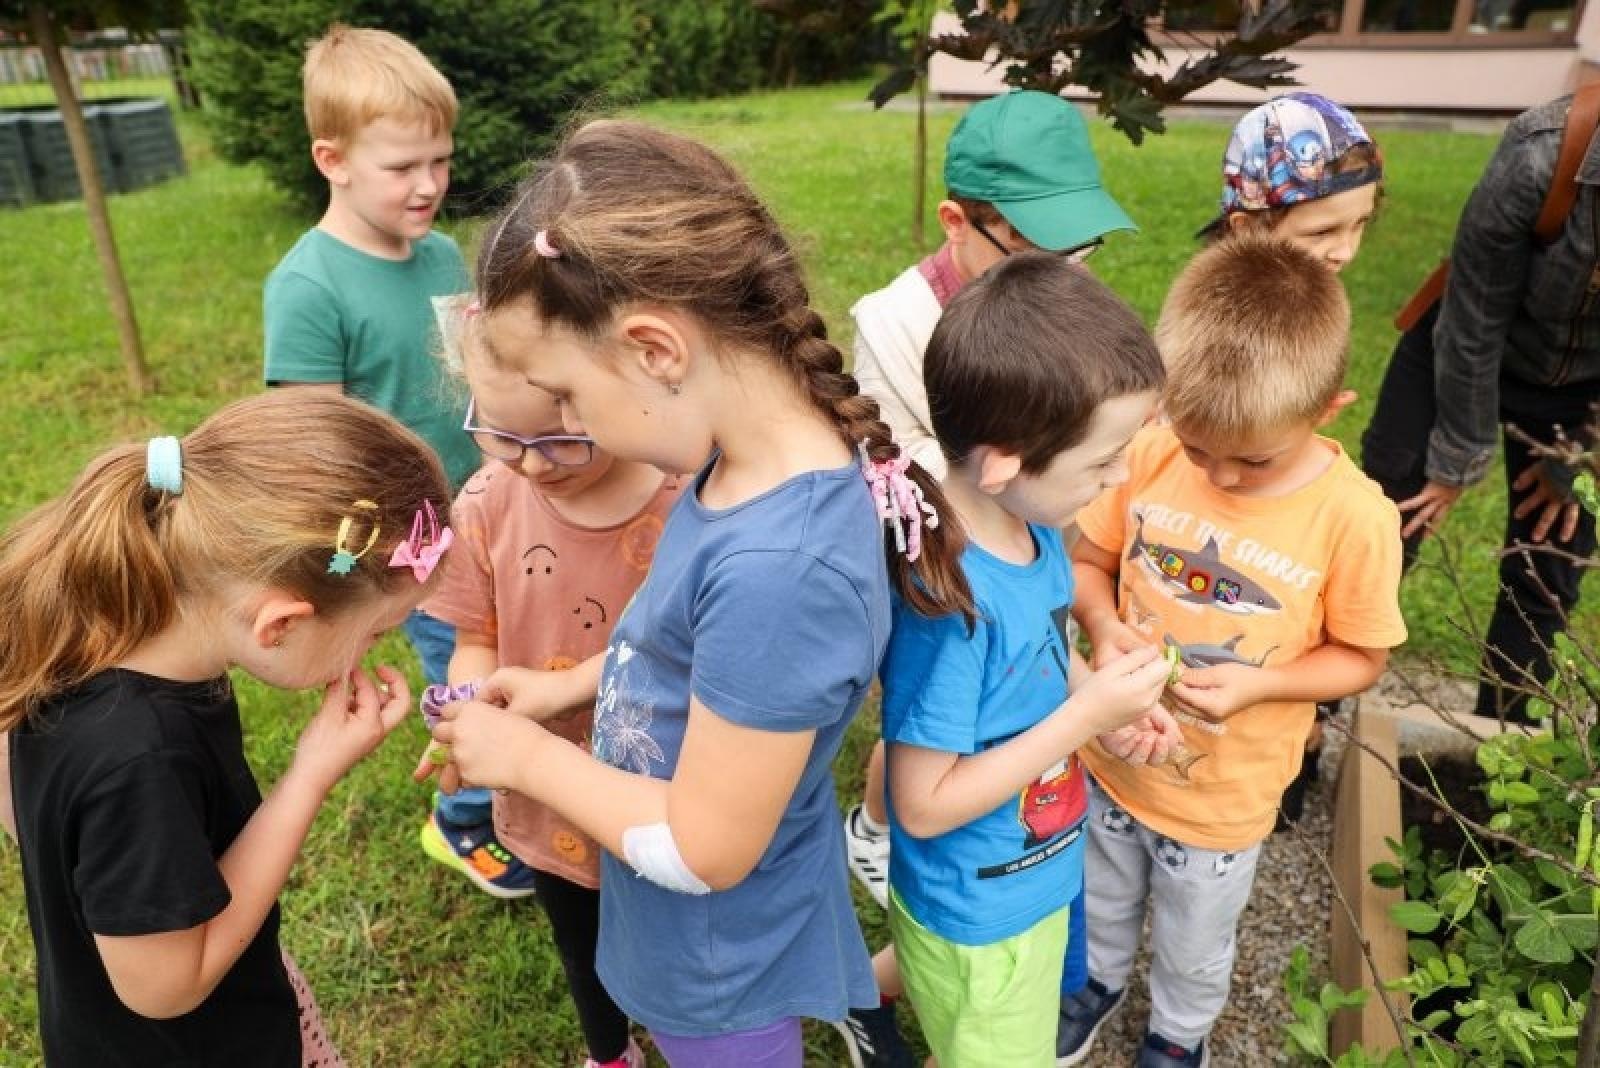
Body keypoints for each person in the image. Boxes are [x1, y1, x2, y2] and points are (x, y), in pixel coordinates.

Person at [424, 118, 956, 1067]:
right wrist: (566, 687)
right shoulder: (738, 463)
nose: (572, 425)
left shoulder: (780, 571)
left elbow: (706, 850)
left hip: (717, 963)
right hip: (711, 927)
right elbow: (687, 647)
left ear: (655, 350)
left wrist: (524, 758)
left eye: (566, 397)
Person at [0, 390, 452, 1066]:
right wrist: (310, 776)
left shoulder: (101, 627)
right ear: (281, 624)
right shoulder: (138, 758)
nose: (372, 652)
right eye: (377, 632)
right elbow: (164, 987)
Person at [1058, 233, 1407, 1068]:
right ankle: (1096, 982)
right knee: (1099, 896)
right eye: (1196, 446)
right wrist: (1105, 630)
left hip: (1223, 798)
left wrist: (1263, 686)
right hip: (1111, 761)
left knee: (1194, 936)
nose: (1217, 476)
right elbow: (1089, 562)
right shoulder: (1147, 453)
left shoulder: (1354, 518)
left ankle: (1180, 1033)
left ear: (1329, 409)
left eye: (1252, 459)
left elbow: (1361, 659)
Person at [847, 90, 1137, 1008]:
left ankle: (876, 985)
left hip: (1023, 582)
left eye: (1084, 252)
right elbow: (907, 504)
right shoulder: (892, 326)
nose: (1073, 275)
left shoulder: (1055, 313)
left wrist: (1093, 654)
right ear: (958, 223)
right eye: (1044, 253)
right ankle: (874, 827)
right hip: (957, 587)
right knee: (935, 732)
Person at [880, 251, 1178, 1068]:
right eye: (1102, 461)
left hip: (1032, 872)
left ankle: (875, 995)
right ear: (1006, 460)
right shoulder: (950, 603)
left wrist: (1099, 700)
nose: (1119, 479)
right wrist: (1084, 718)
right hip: (980, 917)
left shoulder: (1033, 529)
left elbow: (1045, 657)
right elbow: (924, 805)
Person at [261, 24, 533, 895]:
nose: (428, 186)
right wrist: (356, 557)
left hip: (489, 504)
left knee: (511, 645)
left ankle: (509, 783)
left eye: (440, 161)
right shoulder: (308, 286)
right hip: (407, 538)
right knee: (460, 665)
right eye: (402, 167)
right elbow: (306, 443)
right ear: (331, 159)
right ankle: (461, 820)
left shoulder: (446, 254)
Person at [413, 292, 683, 1067]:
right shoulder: (486, 504)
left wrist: (565, 688)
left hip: (661, 784)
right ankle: (610, 1052)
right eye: (500, 437)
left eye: (560, 441)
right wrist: (467, 706)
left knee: (671, 933)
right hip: (546, 804)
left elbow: (688, 647)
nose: (531, 464)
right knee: (583, 942)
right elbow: (475, 637)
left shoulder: (684, 499)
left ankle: (686, 1032)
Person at [1360, 90, 1600, 721]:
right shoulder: (1541, 149)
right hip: (1463, 343)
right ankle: (1298, 740)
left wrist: (1573, 461)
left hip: (1586, 395)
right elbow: (1473, 319)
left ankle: (1502, 762)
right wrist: (1455, 459)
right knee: (1382, 530)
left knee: (1546, 571)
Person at [1200, 91, 1385, 828]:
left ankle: (1299, 740)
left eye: (1360, 225)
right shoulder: (1213, 322)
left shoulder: (1318, 297)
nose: (1344, 250)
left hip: (1292, 549)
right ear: (1249, 226)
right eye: (1323, 230)